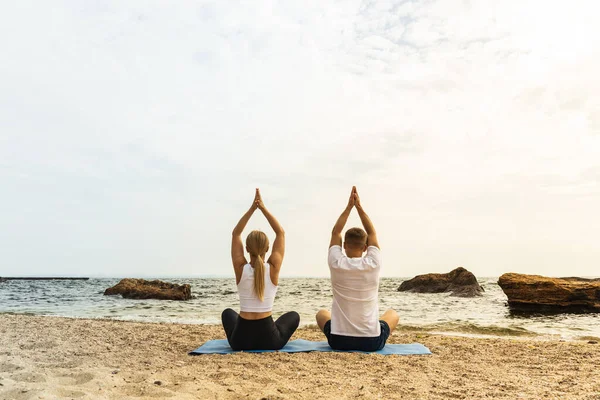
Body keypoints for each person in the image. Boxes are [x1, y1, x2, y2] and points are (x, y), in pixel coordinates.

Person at [316, 186, 399, 351]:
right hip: (371, 342)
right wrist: (359, 207)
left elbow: (336, 232)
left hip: (339, 341)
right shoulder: (373, 264)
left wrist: (348, 208)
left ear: (344, 246)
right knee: (393, 314)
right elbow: (372, 233)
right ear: (365, 248)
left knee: (321, 313)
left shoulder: (336, 263)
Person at [222, 188, 300, 350]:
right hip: (269, 340)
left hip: (240, 341)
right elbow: (280, 233)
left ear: (247, 249)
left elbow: (236, 233)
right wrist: (262, 208)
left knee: (227, 313)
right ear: (268, 248)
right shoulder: (273, 267)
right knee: (294, 316)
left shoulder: (240, 268)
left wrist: (252, 209)